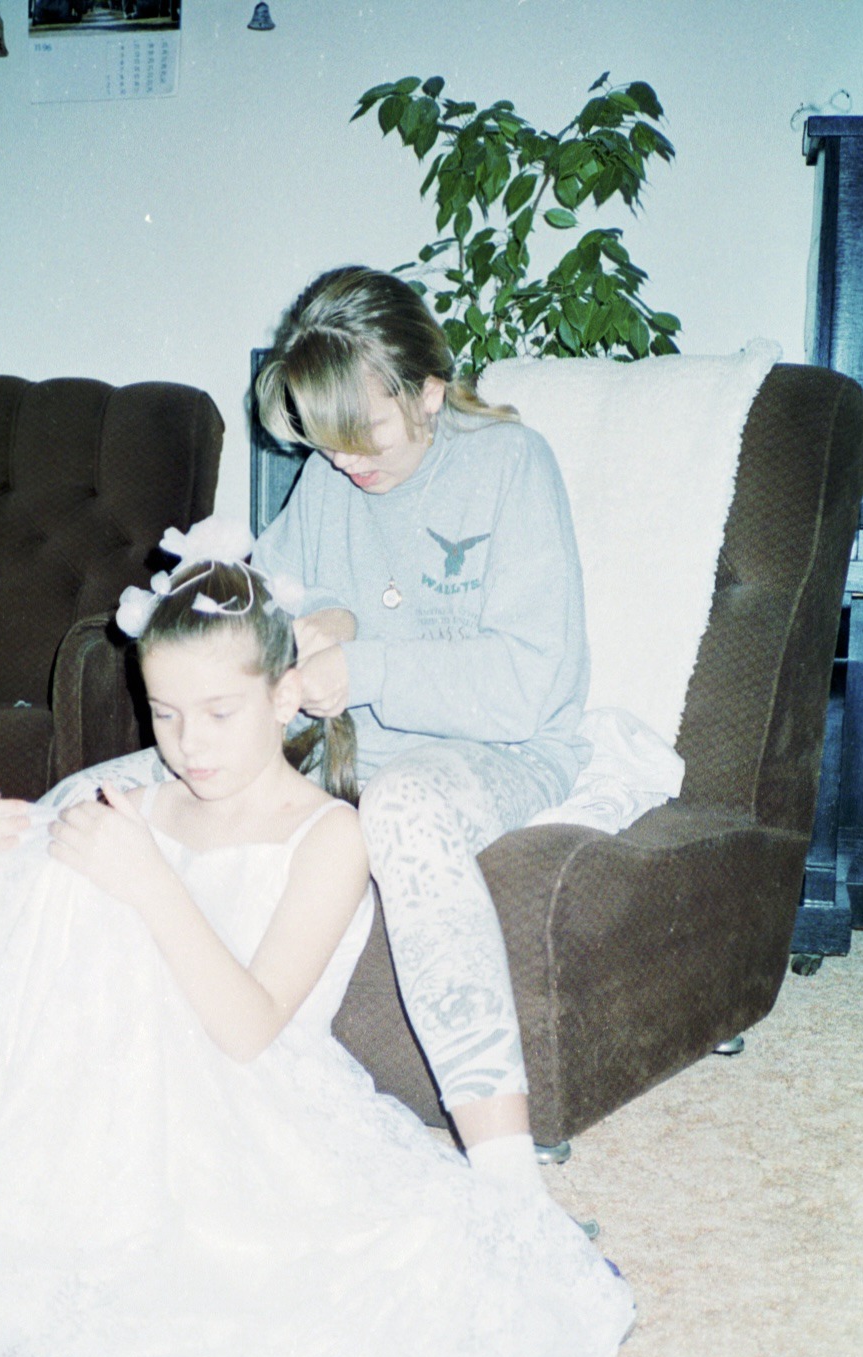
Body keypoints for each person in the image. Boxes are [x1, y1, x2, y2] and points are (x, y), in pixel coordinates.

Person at [0, 557, 632, 1357]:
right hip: (99, 1087)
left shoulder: (329, 835)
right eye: (163, 715)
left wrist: (147, 878)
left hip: (240, 1108)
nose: (187, 744)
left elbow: (248, 1030)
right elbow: (7, 942)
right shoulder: (145, 799)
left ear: (285, 698)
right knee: (45, 865)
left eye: (217, 714)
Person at [252, 265, 587, 1188]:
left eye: (366, 434)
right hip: (355, 754)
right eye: (324, 441)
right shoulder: (329, 475)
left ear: (429, 390)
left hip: (503, 752)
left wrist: (369, 665)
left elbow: (527, 684)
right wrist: (321, 619)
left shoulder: (510, 466)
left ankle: (507, 1179)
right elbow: (280, 583)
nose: (346, 462)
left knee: (398, 808)